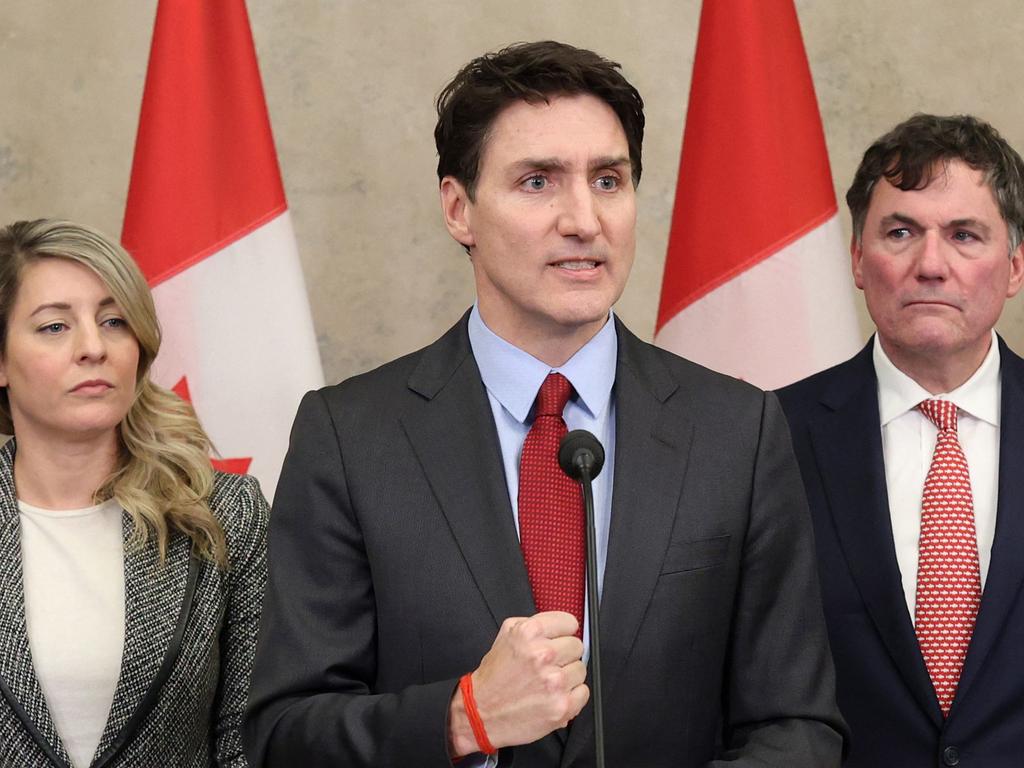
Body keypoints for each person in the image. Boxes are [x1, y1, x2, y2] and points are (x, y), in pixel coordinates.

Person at [245, 41, 844, 767]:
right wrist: (463, 719)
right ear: (459, 208)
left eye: (609, 180)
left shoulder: (736, 431)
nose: (584, 220)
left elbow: (797, 728)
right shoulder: (350, 436)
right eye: (538, 182)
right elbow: (286, 735)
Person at [777, 114, 1024, 767]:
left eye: (965, 235)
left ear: (1016, 266)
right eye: (901, 232)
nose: (931, 264)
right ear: (858, 261)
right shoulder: (767, 438)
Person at [0, 219, 268, 767]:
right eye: (54, 327)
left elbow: (250, 742)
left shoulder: (226, 514)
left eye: (114, 321)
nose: (93, 347)